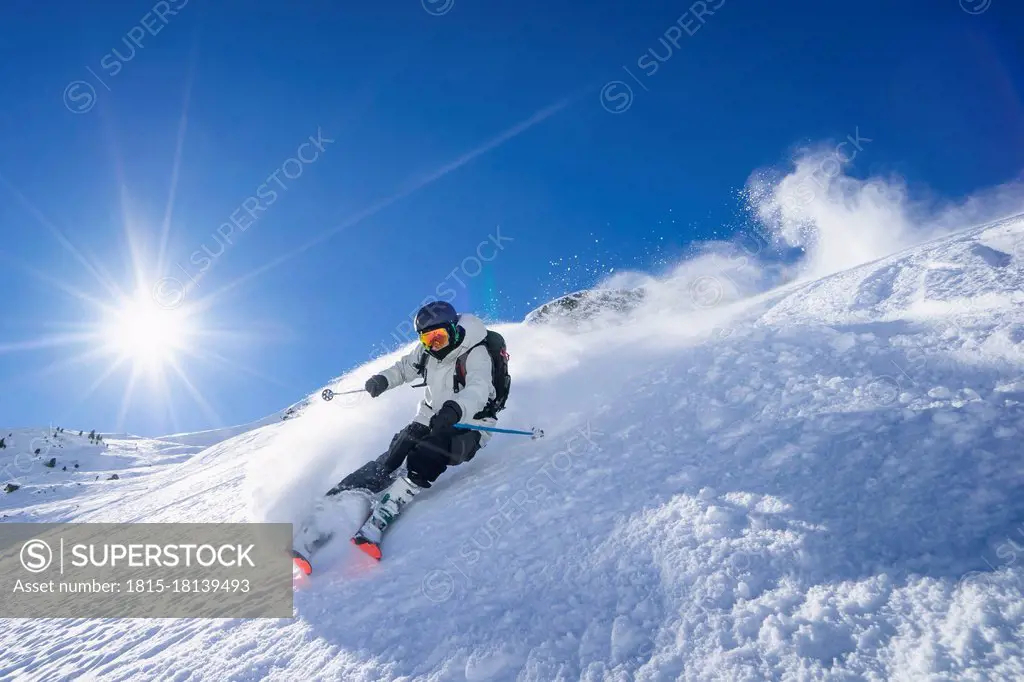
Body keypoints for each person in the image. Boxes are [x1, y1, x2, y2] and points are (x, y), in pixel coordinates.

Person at [327, 301, 500, 554]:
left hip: (470, 422)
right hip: (431, 416)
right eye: (429, 339)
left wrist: (454, 410)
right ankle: (344, 492)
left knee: (430, 452)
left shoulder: (476, 352)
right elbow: (404, 369)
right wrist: (383, 380)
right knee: (398, 449)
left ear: (454, 330)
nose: (435, 345)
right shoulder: (426, 352)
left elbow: (478, 390)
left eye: (440, 337)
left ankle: (386, 511)